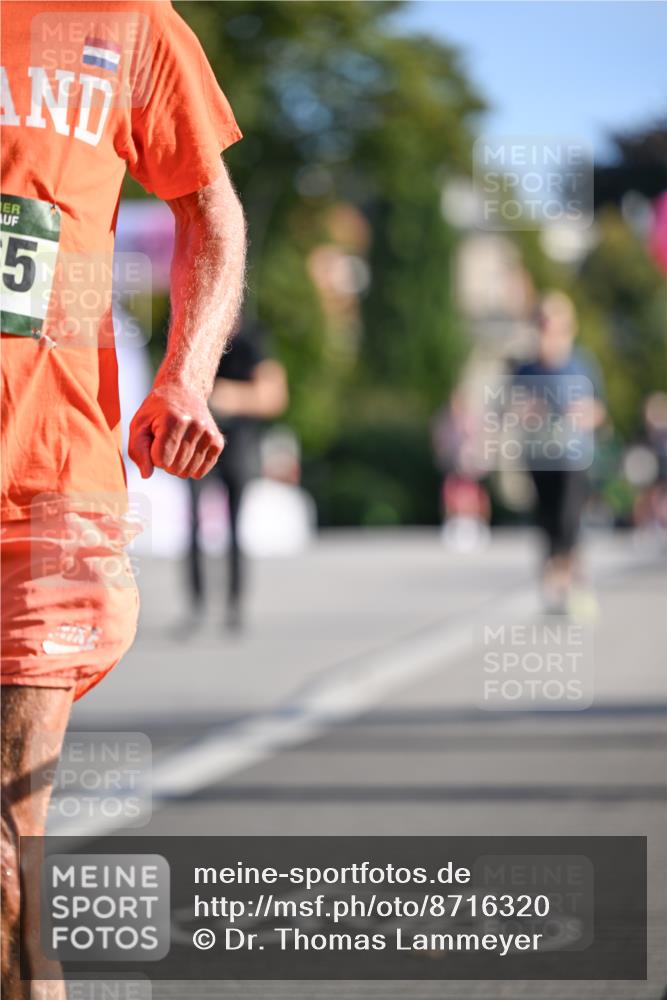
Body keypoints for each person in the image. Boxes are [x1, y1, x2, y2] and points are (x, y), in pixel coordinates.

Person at [0, 3, 246, 994]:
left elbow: (208, 208)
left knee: (19, 845)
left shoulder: (126, 21)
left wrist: (185, 376)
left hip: (51, 487)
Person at [185, 322, 288, 631]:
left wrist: (230, 397)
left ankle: (234, 605)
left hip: (237, 443)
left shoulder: (250, 342)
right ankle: (198, 604)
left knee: (235, 528)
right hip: (198, 441)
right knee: (193, 525)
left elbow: (274, 397)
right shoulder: (193, 338)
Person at [513, 292, 606, 615]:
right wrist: (528, 412)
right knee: (549, 522)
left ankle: (566, 579)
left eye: (555, 324)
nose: (548, 331)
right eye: (542, 324)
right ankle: (565, 579)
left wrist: (583, 413)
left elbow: (600, 410)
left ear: (569, 327)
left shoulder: (582, 364)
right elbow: (510, 410)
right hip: (540, 456)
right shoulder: (525, 369)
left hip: (574, 456)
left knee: (569, 519)